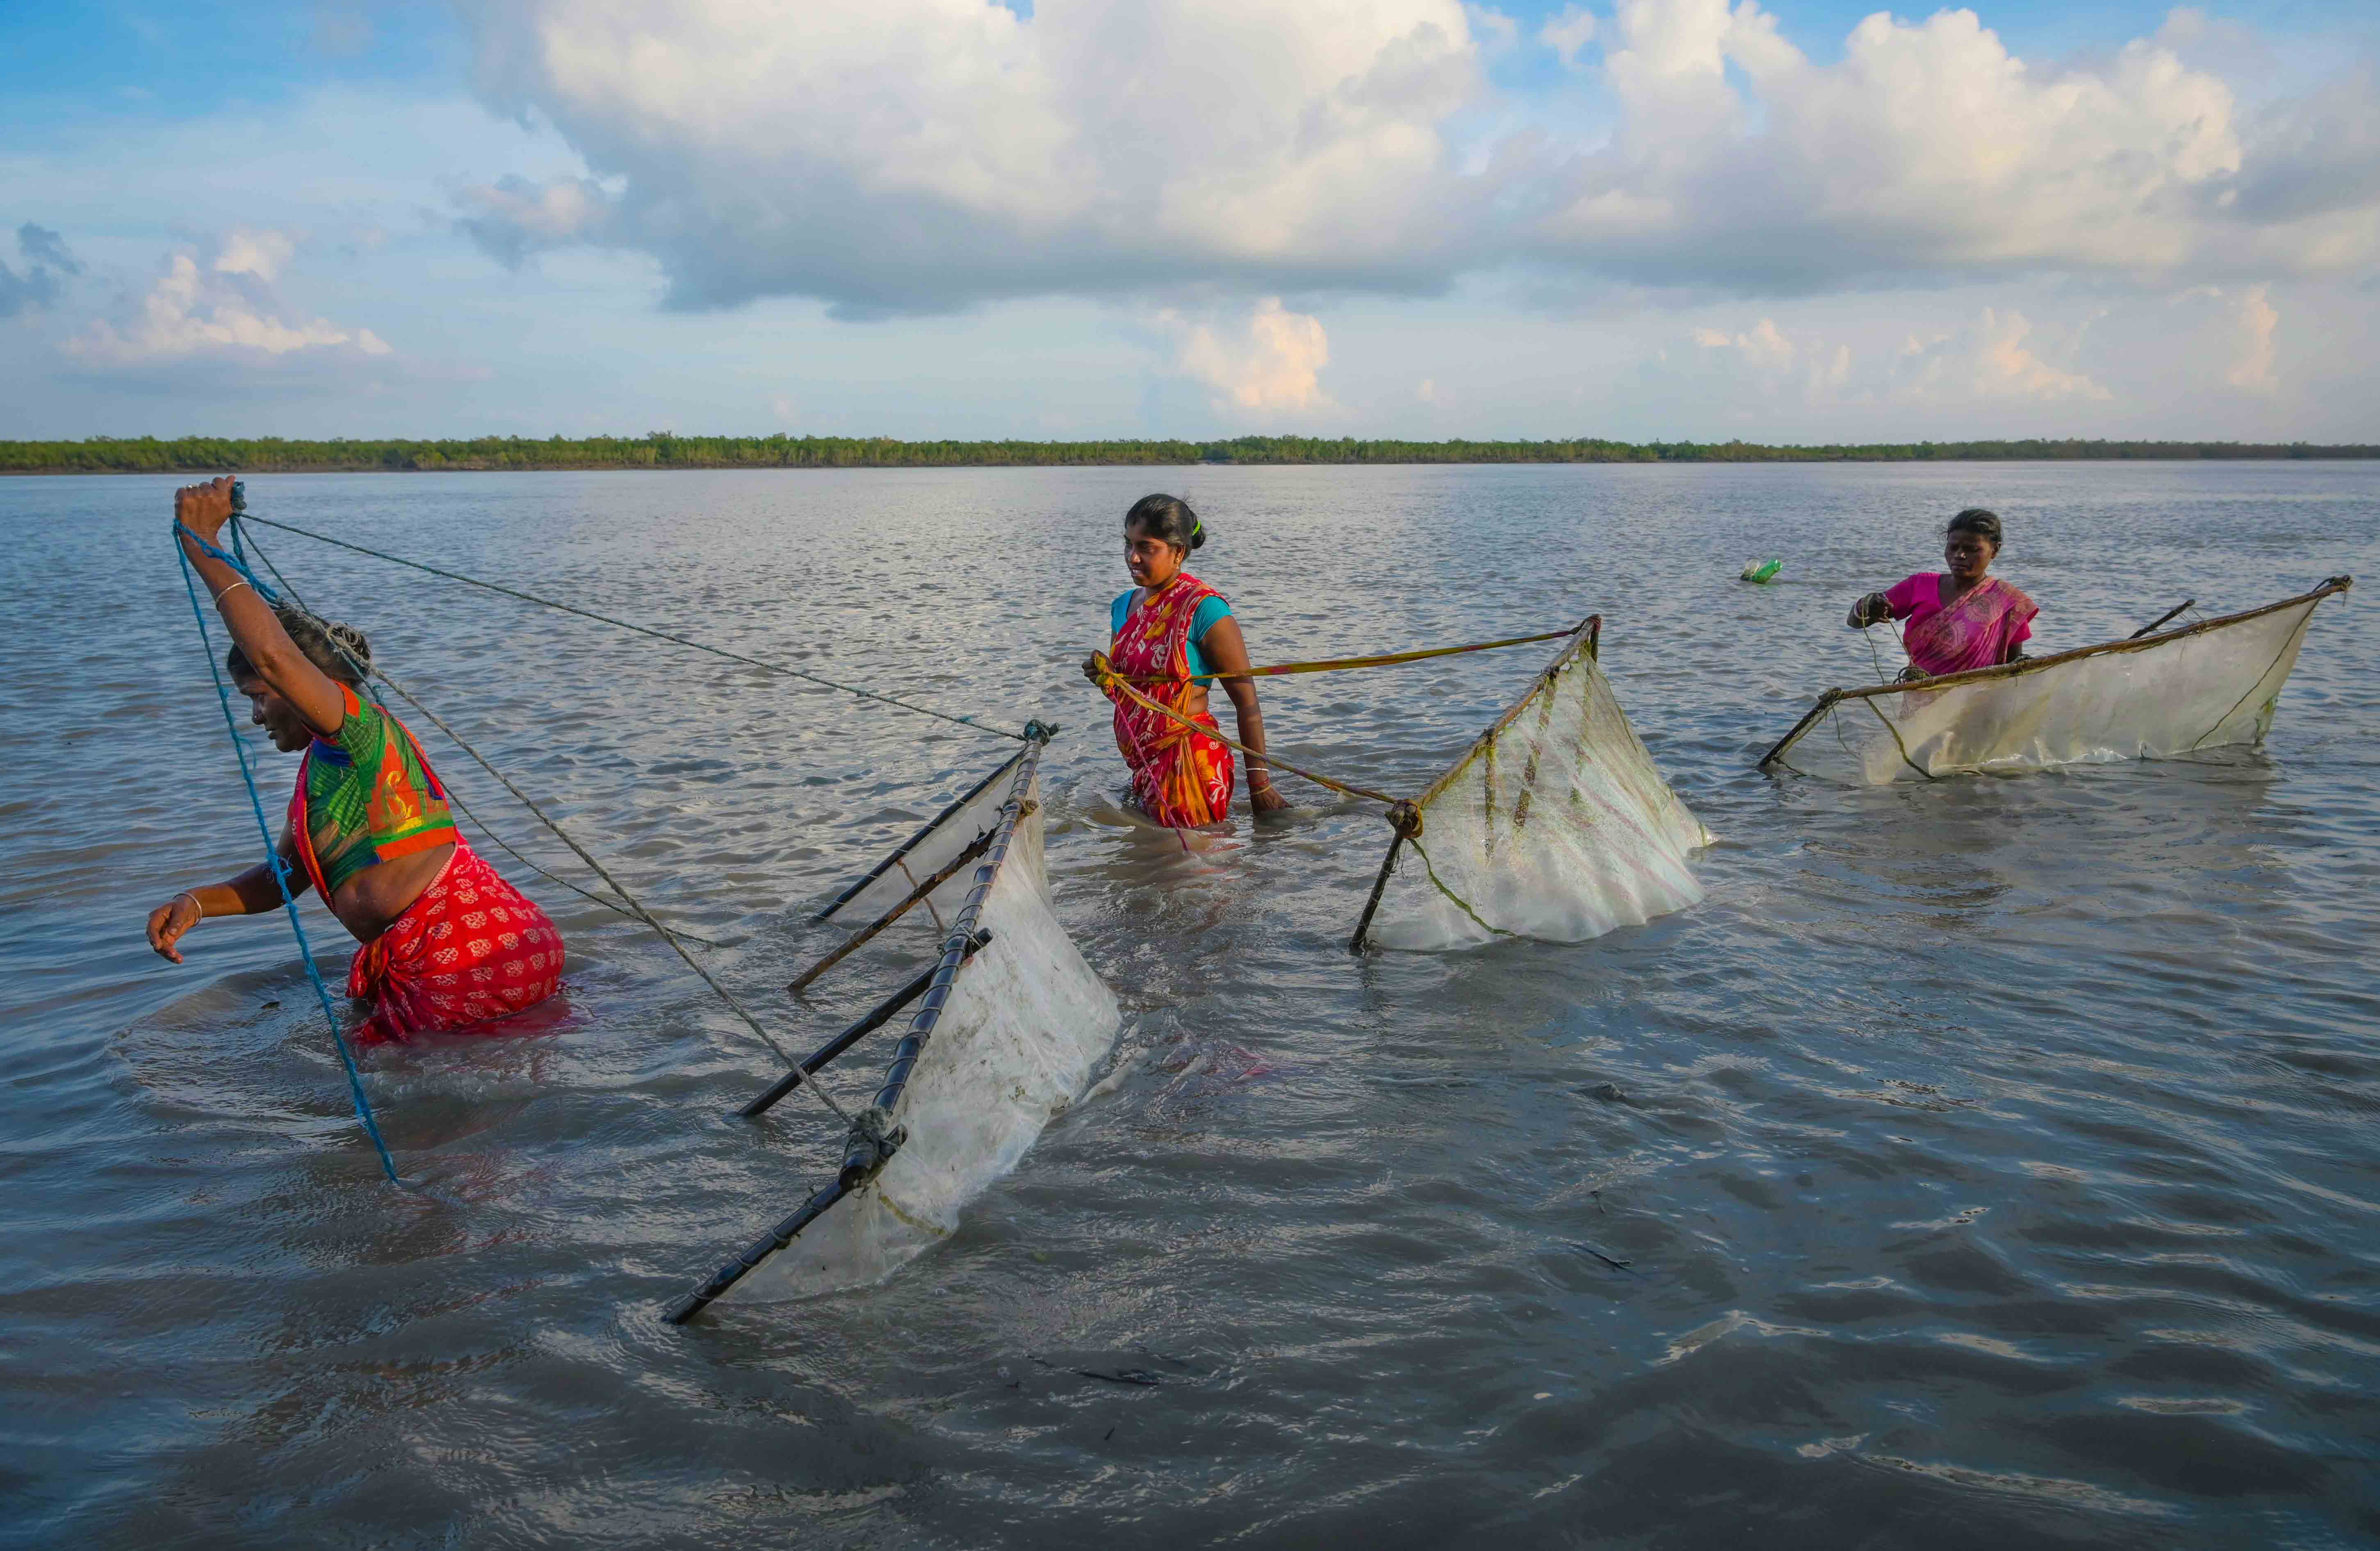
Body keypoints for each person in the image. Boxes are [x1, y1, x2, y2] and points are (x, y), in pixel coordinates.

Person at [148, 476, 564, 1047]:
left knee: (434, 1124)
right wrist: (195, 904)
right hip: (453, 951)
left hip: (465, 949)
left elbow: (273, 656)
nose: (257, 716)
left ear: (323, 685)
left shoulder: (359, 732)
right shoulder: (321, 770)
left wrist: (201, 542)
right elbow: (283, 877)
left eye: (261, 698)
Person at [1086, 494, 1288, 826]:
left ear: (1178, 552)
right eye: (1128, 545)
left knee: (1196, 871)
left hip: (1190, 764)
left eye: (1147, 548)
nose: (1132, 558)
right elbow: (1132, 691)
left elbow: (1247, 702)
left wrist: (1260, 787)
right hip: (1142, 765)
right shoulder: (1122, 607)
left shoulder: (1204, 609)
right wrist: (1104, 675)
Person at [1848, 508, 2038, 679]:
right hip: (1921, 698)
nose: (1960, 555)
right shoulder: (1920, 585)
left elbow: (2013, 667)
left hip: (1981, 703)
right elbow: (1855, 622)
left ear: (1995, 551)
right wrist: (1867, 605)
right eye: (1954, 547)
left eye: (1973, 550)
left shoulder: (2006, 601)